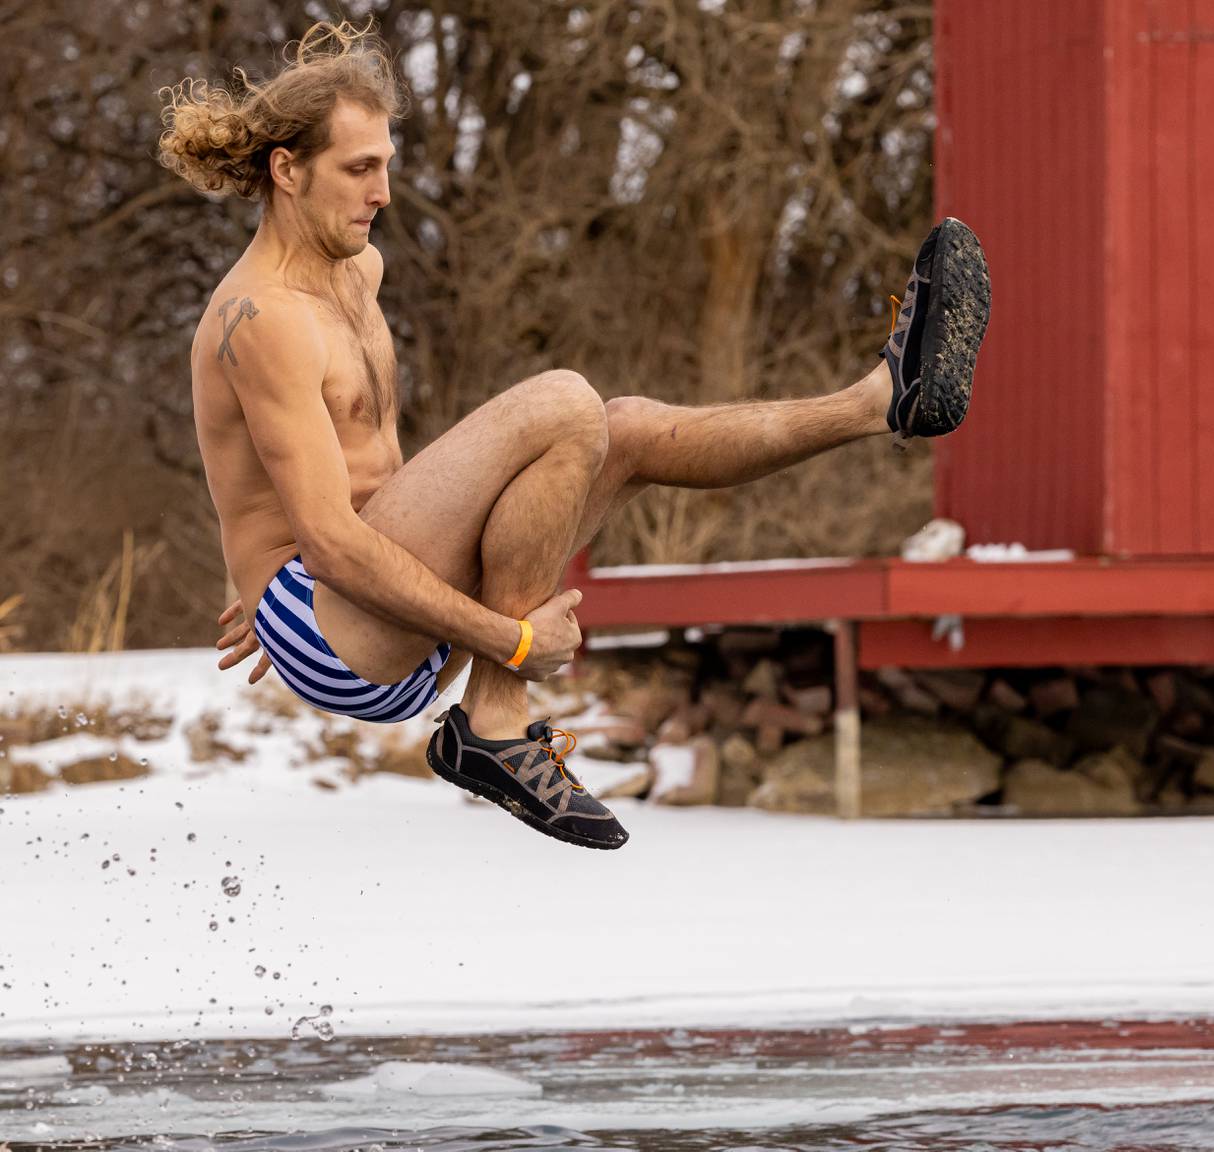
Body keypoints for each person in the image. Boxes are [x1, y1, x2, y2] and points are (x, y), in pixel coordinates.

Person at [159, 21, 990, 852]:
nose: (382, 191)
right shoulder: (260, 318)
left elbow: (362, 489)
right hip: (328, 623)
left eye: (387, 165)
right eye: (359, 169)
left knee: (620, 427)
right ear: (287, 171)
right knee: (562, 402)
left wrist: (333, 566)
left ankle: (882, 399)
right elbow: (334, 544)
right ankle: (498, 718)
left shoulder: (357, 271)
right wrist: (511, 642)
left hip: (368, 594)